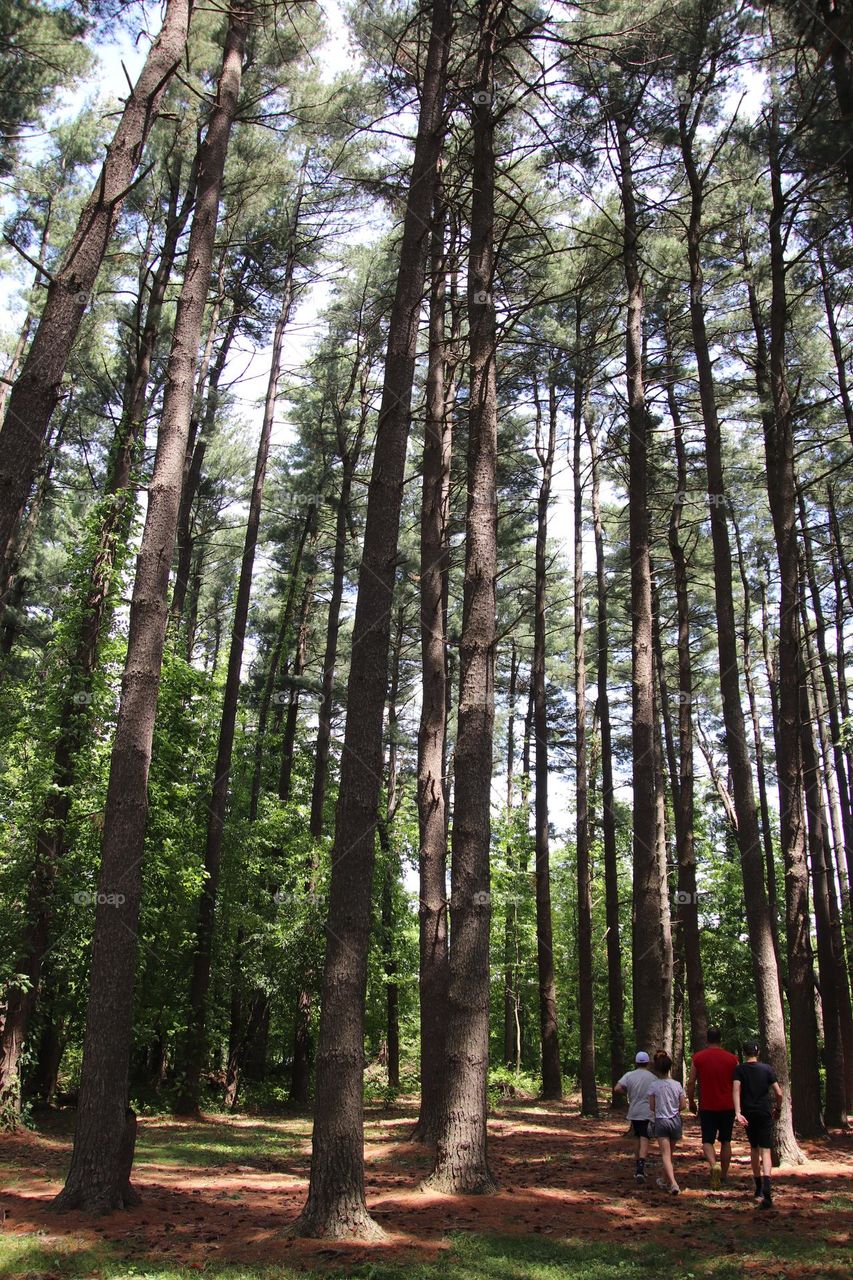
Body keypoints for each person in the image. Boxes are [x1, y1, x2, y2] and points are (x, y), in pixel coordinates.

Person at [733, 1039, 783, 1211]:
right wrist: (778, 1108)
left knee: (754, 1148)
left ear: (745, 1053)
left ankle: (759, 1187)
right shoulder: (767, 1069)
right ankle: (767, 1184)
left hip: (748, 1113)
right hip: (764, 1112)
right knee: (766, 1150)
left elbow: (736, 1090)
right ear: (758, 1052)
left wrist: (738, 1112)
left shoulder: (739, 1070)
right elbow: (779, 1092)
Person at [687, 1026, 738, 1189]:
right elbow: (738, 1083)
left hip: (707, 1106)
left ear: (707, 1039)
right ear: (720, 1039)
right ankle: (723, 1175)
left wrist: (691, 1101)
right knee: (726, 1141)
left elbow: (691, 1081)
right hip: (728, 1106)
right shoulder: (733, 1059)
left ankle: (713, 1165)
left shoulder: (698, 1058)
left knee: (707, 1141)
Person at [613, 1051, 658, 1183]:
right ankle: (641, 1168)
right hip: (647, 1112)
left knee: (637, 1138)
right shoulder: (652, 1077)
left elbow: (617, 1089)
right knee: (645, 1137)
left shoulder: (629, 1075)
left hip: (634, 1111)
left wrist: (627, 1092)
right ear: (648, 1063)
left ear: (636, 1062)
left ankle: (638, 1167)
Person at [648, 1053, 687, 1196]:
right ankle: (664, 1180)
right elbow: (683, 1105)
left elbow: (652, 1106)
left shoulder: (653, 1086)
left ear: (657, 1069)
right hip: (675, 1121)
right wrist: (674, 1109)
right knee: (670, 1154)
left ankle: (673, 1183)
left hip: (661, 1120)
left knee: (665, 1155)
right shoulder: (677, 1085)